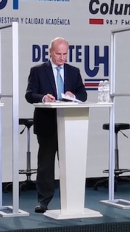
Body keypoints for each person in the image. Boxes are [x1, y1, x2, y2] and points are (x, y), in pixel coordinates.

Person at [25, 37, 87, 213]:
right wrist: (43, 97)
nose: (62, 58)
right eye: (58, 54)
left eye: (65, 54)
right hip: (47, 122)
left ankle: (72, 200)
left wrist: (73, 96)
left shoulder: (74, 72)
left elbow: (83, 94)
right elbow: (30, 95)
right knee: (46, 164)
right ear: (50, 52)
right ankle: (43, 200)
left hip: (69, 124)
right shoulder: (37, 71)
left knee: (70, 163)